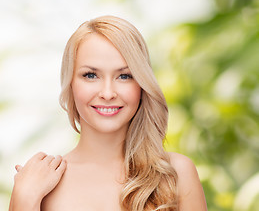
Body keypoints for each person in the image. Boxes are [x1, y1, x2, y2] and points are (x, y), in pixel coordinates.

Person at [9, 15, 207, 211]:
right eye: (91, 75)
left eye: (124, 76)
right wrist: (24, 200)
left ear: (141, 85)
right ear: (71, 84)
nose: (107, 93)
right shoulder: (40, 185)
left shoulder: (177, 174)